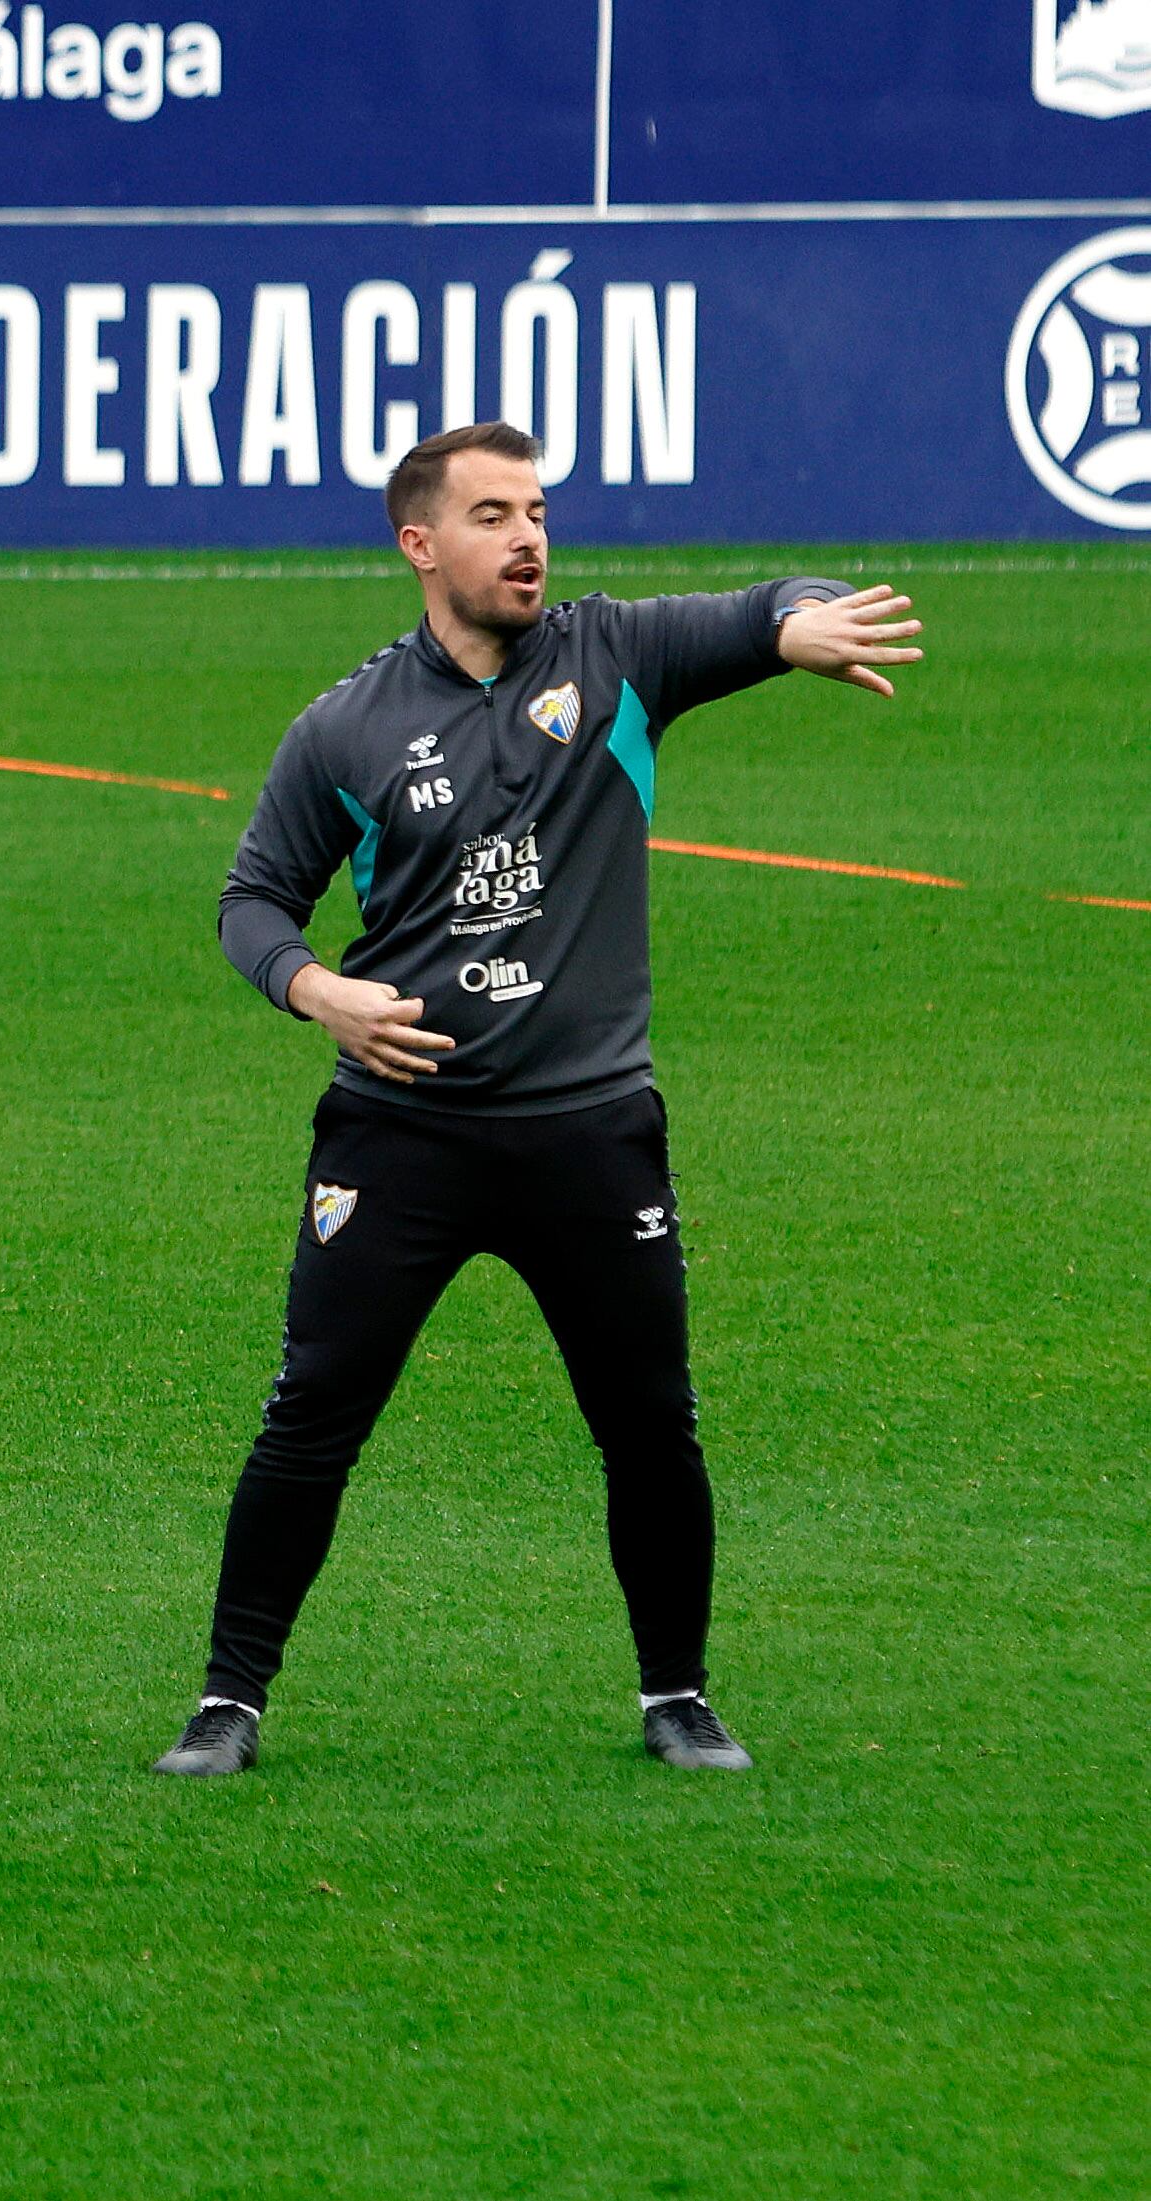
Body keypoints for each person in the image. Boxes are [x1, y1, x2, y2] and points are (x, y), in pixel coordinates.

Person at [155, 420, 928, 1779]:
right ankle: (229, 1701)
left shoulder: (615, 658)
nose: (528, 539)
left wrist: (803, 621)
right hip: (401, 1133)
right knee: (312, 1411)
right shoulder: (345, 727)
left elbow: (763, 605)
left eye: (538, 513)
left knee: (647, 1420)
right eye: (495, 513)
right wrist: (314, 990)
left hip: (588, 1133)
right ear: (420, 543)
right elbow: (251, 901)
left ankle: (675, 1695)